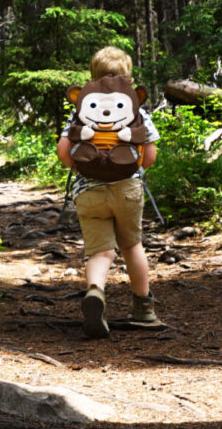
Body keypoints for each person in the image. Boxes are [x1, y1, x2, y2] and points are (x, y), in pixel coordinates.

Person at [56, 46, 159, 338]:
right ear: (128, 78)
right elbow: (149, 157)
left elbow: (64, 152)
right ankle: (144, 309)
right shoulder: (136, 112)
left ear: (92, 77)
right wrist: (131, 167)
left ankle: (96, 293)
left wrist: (80, 169)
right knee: (132, 247)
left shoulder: (81, 111)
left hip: (89, 192)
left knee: (101, 252)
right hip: (127, 188)